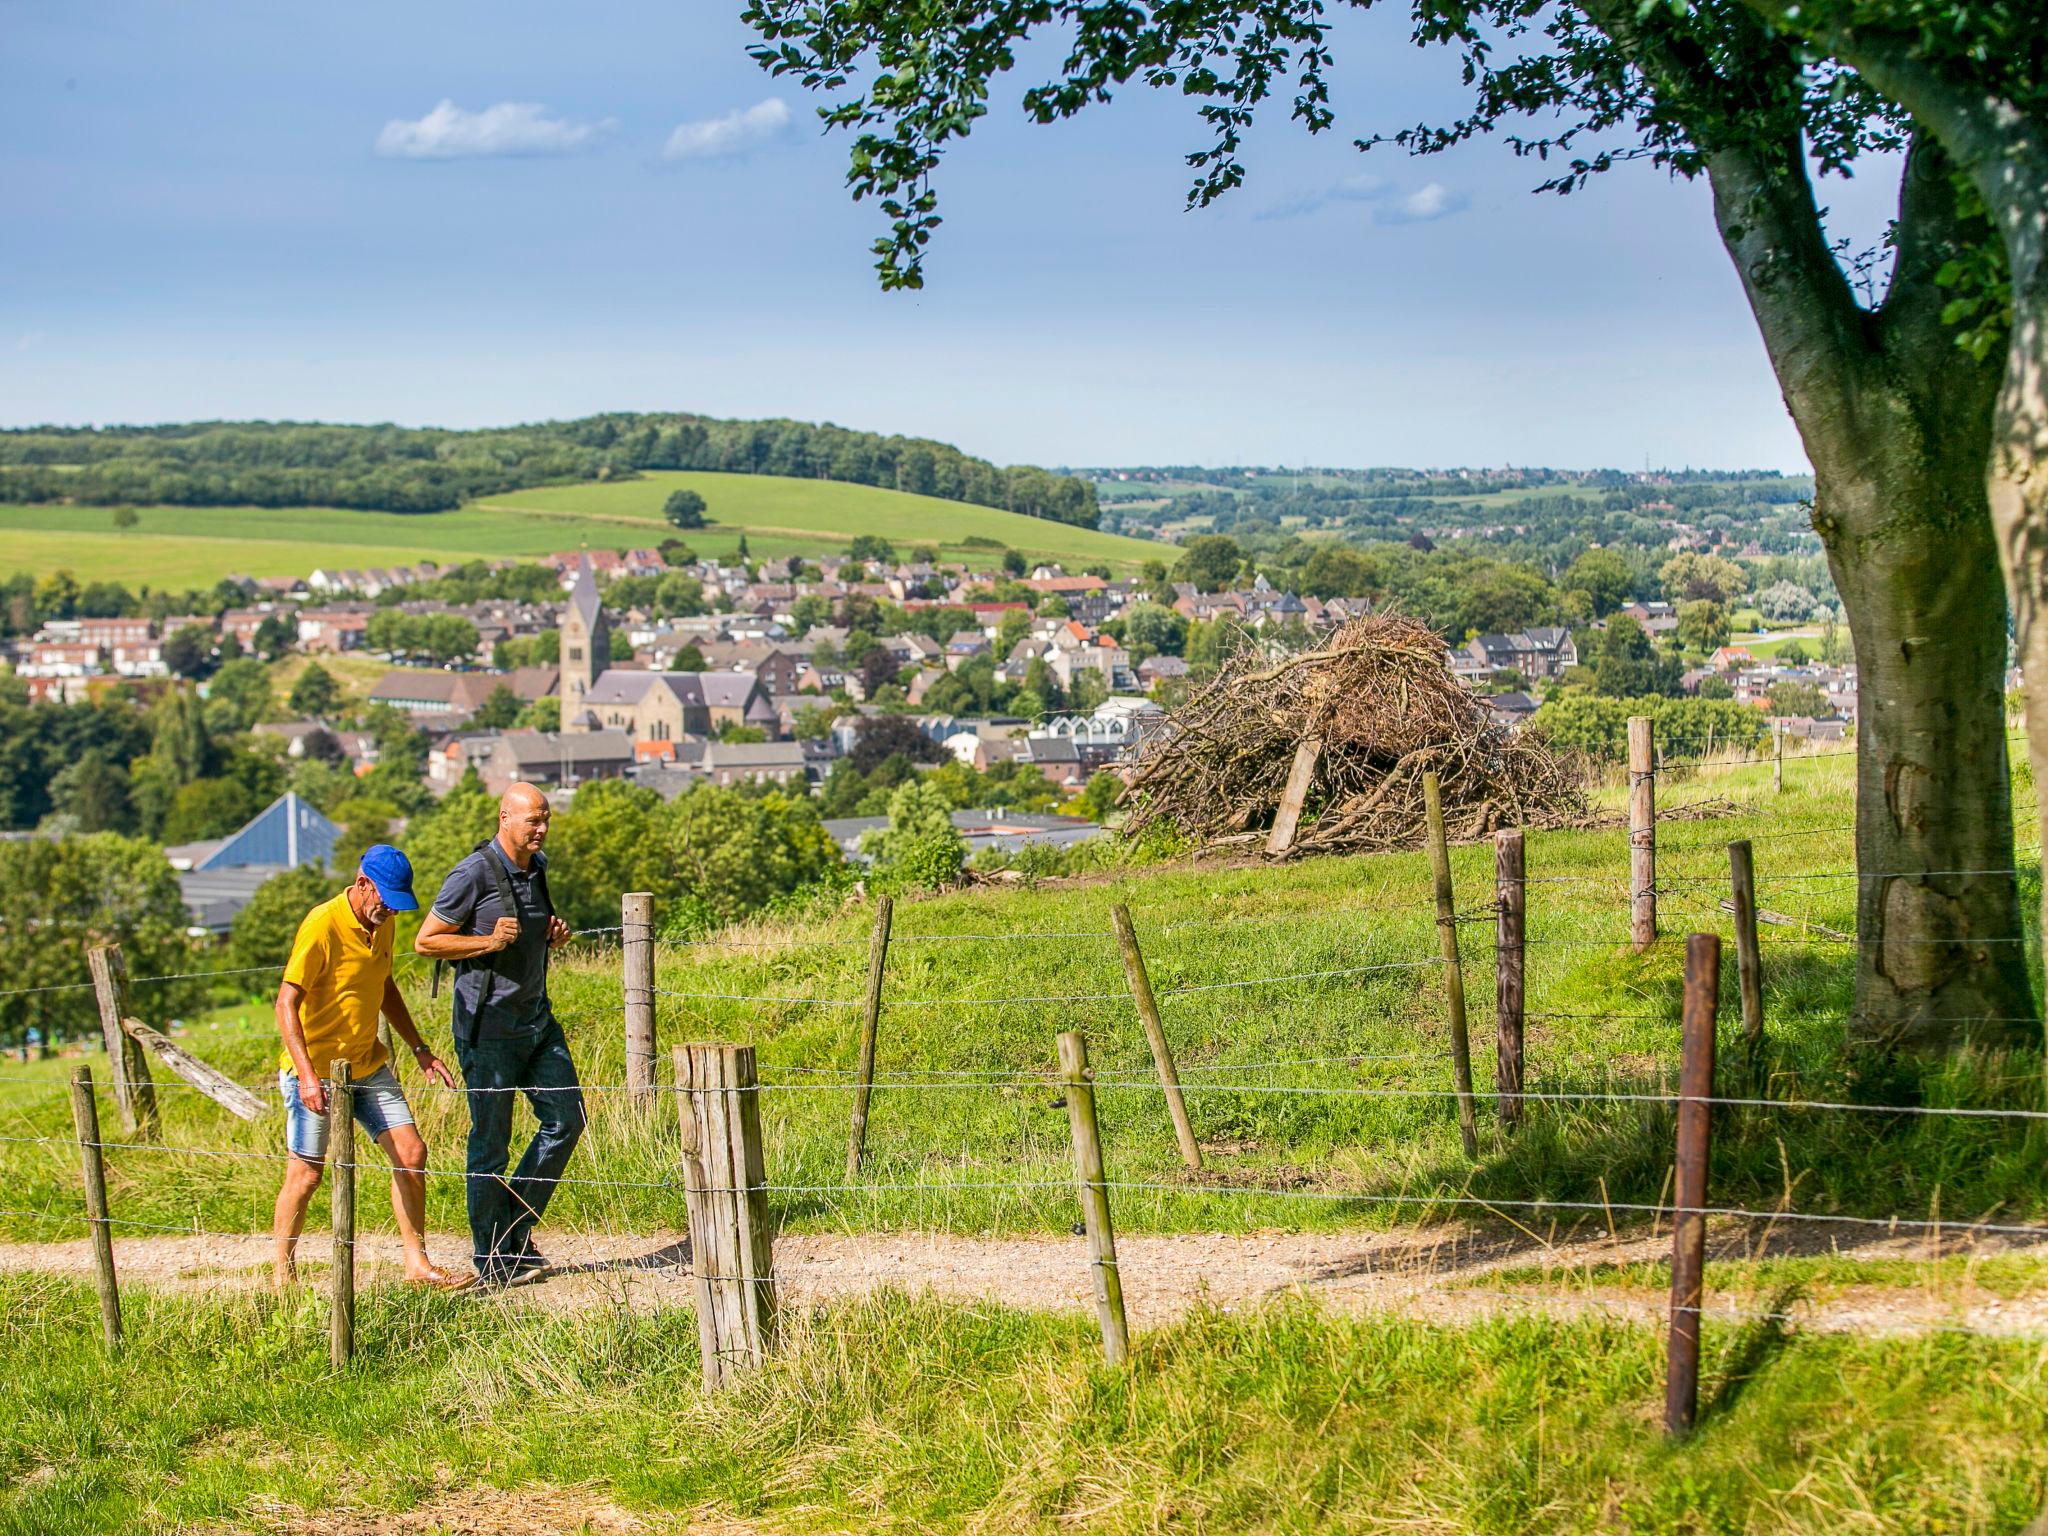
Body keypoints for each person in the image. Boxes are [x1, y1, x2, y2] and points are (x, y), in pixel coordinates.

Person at [272, 845, 469, 1292]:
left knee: (412, 1153)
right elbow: (286, 1003)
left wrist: (419, 1048)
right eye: (386, 899)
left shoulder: (385, 921)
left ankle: (417, 1265)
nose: (391, 910)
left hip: (367, 1064)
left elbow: (384, 985)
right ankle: (282, 1274)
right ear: (363, 884)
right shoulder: (322, 924)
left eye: (399, 902)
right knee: (307, 1173)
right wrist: (305, 1074)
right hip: (316, 1069)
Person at [415, 782, 582, 1286]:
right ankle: (492, 1258)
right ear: (504, 817)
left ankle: (511, 1229)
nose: (542, 828)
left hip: (535, 1020)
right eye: (533, 820)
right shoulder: (472, 873)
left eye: (546, 818)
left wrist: (553, 932)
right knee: (491, 1146)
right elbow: (427, 942)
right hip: (486, 1028)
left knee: (567, 1120)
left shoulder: (538, 867)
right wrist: (486, 941)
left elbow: (529, 929)